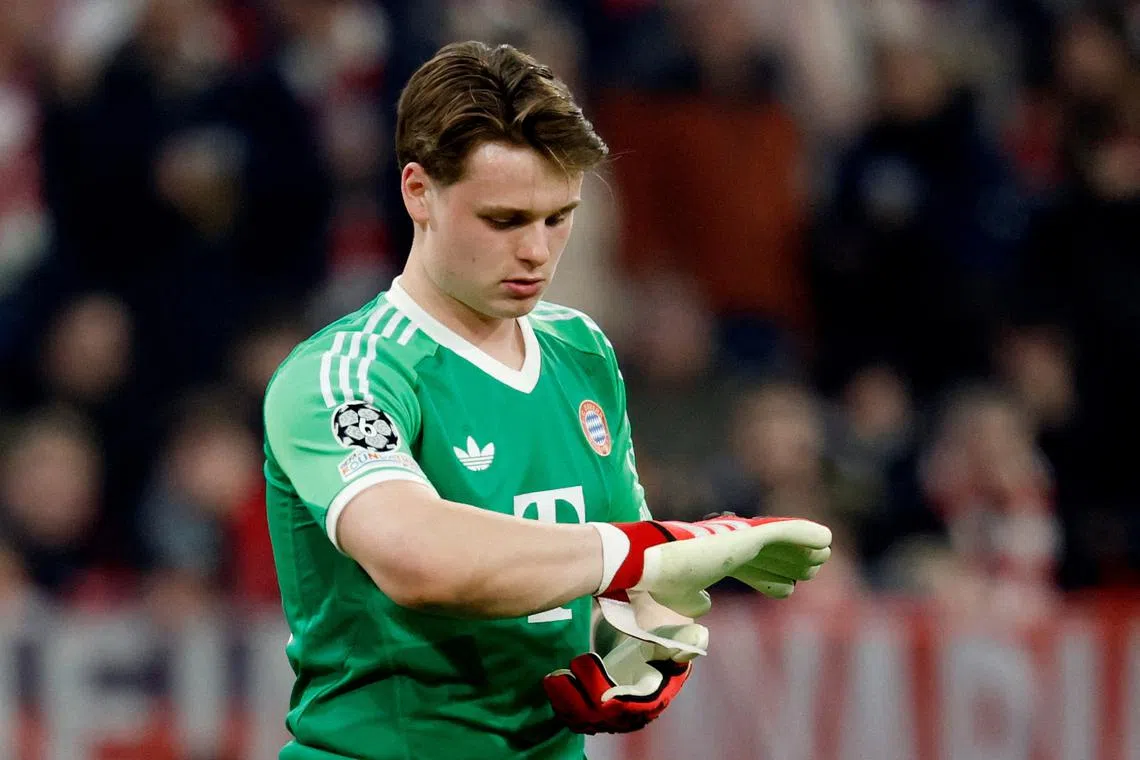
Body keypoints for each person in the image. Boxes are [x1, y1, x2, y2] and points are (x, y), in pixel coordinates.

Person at [263, 41, 832, 760]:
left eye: (558, 218)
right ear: (418, 192)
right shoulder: (346, 374)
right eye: (505, 220)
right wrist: (648, 554)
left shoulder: (581, 350)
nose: (536, 251)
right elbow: (414, 556)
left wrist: (644, 649)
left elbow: (623, 575)